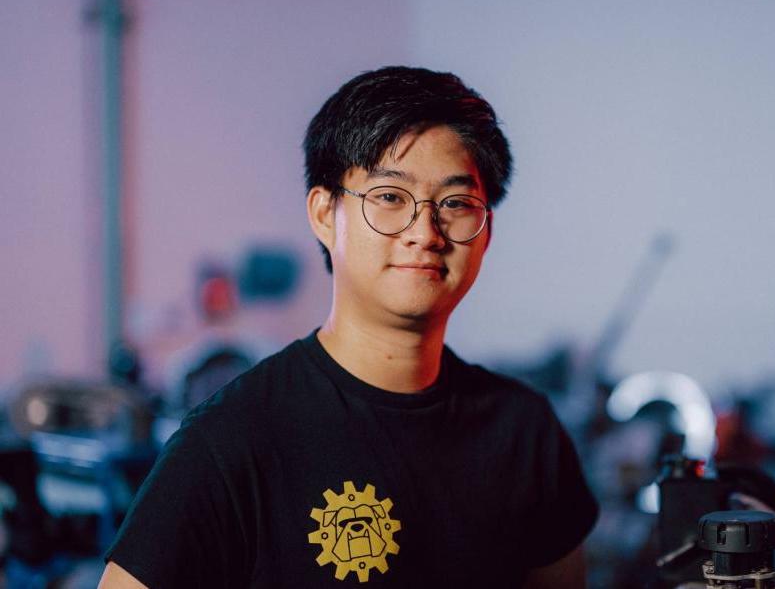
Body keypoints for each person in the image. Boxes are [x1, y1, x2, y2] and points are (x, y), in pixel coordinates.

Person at [99, 67, 599, 588]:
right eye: (389, 197)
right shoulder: (232, 441)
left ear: (486, 229)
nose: (424, 232)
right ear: (323, 212)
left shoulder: (523, 431)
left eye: (455, 204)